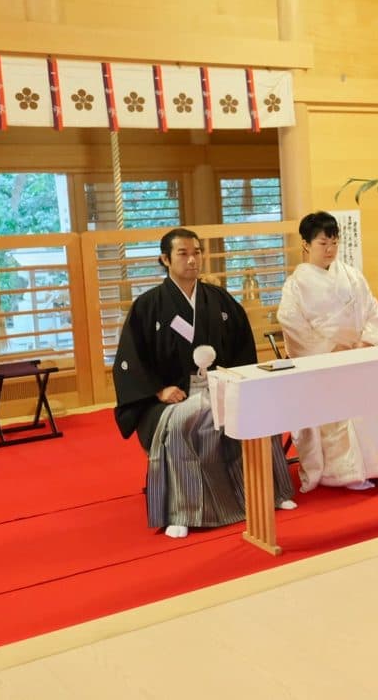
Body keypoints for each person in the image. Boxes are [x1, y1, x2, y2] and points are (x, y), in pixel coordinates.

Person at [113, 228, 297, 539]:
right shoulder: (148, 307)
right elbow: (130, 361)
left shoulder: (220, 300)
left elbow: (242, 351)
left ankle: (268, 493)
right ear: (165, 259)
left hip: (221, 387)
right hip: (172, 396)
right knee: (188, 421)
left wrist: (233, 383)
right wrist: (159, 389)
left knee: (260, 413)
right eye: (183, 253)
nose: (192, 259)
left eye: (196, 252)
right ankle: (182, 510)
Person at [276, 211, 378, 492]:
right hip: (324, 363)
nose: (330, 250)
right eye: (322, 244)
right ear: (306, 245)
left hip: (360, 355)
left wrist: (366, 342)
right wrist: (330, 349)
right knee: (342, 405)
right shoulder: (295, 285)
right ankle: (347, 471)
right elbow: (293, 325)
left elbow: (372, 312)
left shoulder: (352, 276)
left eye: (334, 243)